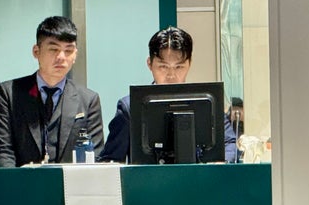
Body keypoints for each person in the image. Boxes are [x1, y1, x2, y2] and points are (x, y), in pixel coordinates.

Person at [97, 26, 238, 163]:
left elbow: (230, 143)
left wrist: (221, 162)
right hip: (147, 184)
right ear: (149, 64)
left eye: (179, 67)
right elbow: (110, 160)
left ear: (190, 63)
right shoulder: (129, 108)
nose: (171, 75)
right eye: (163, 67)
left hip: (199, 182)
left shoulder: (208, 101)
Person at [0, 16, 105, 167]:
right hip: (21, 184)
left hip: (71, 186)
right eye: (54, 49)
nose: (61, 57)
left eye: (68, 51)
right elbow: (2, 151)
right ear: (36, 51)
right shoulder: (8, 93)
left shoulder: (88, 100)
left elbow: (94, 154)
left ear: (75, 55)